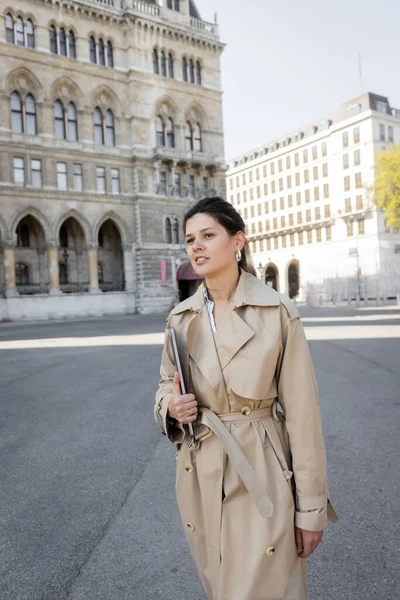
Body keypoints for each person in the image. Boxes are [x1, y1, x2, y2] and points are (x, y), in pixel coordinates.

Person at [154, 197, 337, 600]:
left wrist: (310, 511)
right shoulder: (180, 319)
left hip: (261, 467)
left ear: (238, 241)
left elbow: (304, 418)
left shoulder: (277, 312)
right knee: (220, 588)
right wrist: (170, 405)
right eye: (189, 240)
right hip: (199, 470)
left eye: (208, 235)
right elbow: (167, 382)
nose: (196, 247)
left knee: (263, 589)